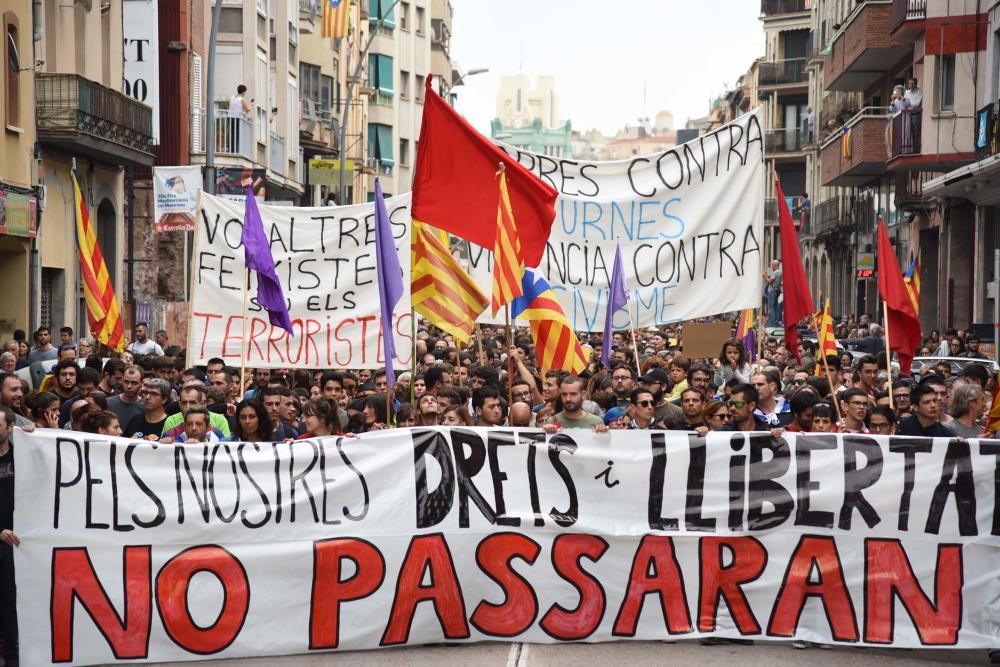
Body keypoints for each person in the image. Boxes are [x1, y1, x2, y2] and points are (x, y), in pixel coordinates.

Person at [0, 406, 19, 667]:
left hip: (17, 545)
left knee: (11, 602)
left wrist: (35, 436)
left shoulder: (22, 457)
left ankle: (13, 657)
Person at [764, 259, 782, 327]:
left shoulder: (775, 273)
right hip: (777, 290)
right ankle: (776, 322)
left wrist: (765, 277)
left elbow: (770, 282)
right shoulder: (780, 272)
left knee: (771, 307)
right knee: (776, 307)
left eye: (772, 265)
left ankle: (773, 322)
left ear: (775, 265)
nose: (772, 267)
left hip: (772, 291)